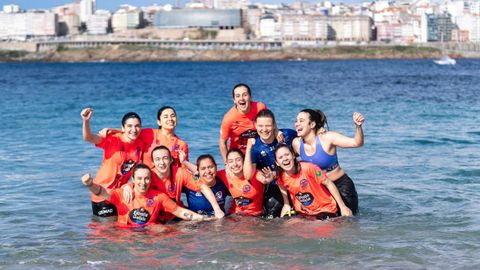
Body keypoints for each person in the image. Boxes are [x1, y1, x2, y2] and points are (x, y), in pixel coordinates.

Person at [81, 164, 208, 228]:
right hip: (125, 236)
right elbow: (101, 192)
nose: (143, 182)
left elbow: (180, 211)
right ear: (133, 179)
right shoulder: (122, 194)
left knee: (170, 230)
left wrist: (205, 218)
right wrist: (90, 184)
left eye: (147, 179)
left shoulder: (159, 196)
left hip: (148, 235)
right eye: (139, 178)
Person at [292, 109, 364, 215]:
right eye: (296, 121)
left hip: (341, 186)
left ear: (312, 124)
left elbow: (357, 143)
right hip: (320, 190)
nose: (297, 124)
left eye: (301, 121)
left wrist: (358, 127)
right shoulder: (297, 144)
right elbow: (285, 159)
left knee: (348, 223)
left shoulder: (327, 138)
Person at [124, 146, 225, 222]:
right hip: (154, 217)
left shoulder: (179, 173)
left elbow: (202, 186)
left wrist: (217, 209)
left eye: (165, 158)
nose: (162, 162)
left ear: (171, 160)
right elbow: (137, 182)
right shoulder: (149, 174)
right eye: (158, 159)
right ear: (153, 163)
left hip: (176, 215)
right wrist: (127, 187)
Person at [81, 107, 144, 217]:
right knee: (106, 230)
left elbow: (137, 171)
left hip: (120, 193)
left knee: (124, 229)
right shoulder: (113, 139)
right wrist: (86, 121)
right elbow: (88, 138)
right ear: (123, 127)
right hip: (102, 193)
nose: (134, 129)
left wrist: (129, 185)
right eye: (129, 126)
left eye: (137, 126)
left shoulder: (140, 144)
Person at [274, 144, 352, 220]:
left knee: (315, 227)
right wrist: (286, 204)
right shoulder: (281, 176)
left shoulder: (308, 168)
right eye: (280, 157)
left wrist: (343, 207)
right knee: (287, 227)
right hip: (304, 213)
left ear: (293, 156)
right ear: (277, 162)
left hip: (325, 209)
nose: (285, 159)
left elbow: (329, 183)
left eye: (287, 155)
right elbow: (281, 185)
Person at [243, 109, 297, 218]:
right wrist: (248, 148)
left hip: (294, 180)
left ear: (274, 125)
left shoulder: (286, 135)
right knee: (271, 218)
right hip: (274, 186)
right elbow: (248, 175)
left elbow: (307, 135)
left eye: (268, 125)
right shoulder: (255, 147)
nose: (264, 129)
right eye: (260, 126)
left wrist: (319, 130)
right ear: (255, 126)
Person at [219, 83, 267, 164]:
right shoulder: (229, 118)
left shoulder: (260, 107)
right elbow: (222, 142)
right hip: (239, 155)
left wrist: (277, 132)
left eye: (245, 95)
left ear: (250, 97)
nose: (241, 98)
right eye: (238, 96)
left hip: (258, 149)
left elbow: (270, 122)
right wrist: (227, 163)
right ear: (234, 100)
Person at [217, 148, 273, 216]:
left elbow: (264, 179)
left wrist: (268, 179)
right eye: (230, 161)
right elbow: (207, 177)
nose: (235, 164)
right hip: (234, 215)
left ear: (244, 160)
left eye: (238, 160)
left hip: (255, 216)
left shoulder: (253, 173)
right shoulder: (224, 175)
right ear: (227, 164)